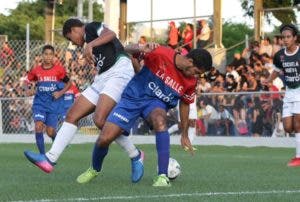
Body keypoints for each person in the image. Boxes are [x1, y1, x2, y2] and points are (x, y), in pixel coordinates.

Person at [24, 18, 144, 183]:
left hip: (120, 71)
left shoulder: (91, 27)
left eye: (69, 38)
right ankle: (50, 158)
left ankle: (135, 155)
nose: (72, 43)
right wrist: (91, 51)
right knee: (72, 114)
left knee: (100, 119)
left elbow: (111, 34)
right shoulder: (88, 45)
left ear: (74, 30)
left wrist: (91, 44)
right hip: (102, 78)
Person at [76, 46, 212, 187]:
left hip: (156, 104)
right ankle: (94, 169)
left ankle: (162, 176)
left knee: (160, 120)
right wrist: (141, 48)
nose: (196, 76)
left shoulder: (190, 82)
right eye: (197, 72)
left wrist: (184, 134)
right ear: (190, 61)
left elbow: (185, 104)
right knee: (105, 138)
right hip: (132, 98)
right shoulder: (160, 53)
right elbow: (126, 50)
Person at [263, 24, 300, 166]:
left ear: (295, 38)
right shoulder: (279, 55)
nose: (285, 40)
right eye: (283, 37)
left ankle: (298, 157)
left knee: (298, 126)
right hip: (289, 93)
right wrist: (269, 80)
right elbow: (276, 71)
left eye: (288, 37)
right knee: (287, 127)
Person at [26, 45, 72, 154]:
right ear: (42, 55)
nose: (48, 57)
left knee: (50, 132)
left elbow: (69, 83)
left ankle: (58, 142)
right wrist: (29, 90)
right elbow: (28, 81)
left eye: (50, 54)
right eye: (46, 54)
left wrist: (60, 93)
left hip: (53, 105)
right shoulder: (36, 70)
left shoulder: (59, 70)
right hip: (40, 104)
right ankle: (42, 155)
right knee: (38, 126)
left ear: (54, 56)